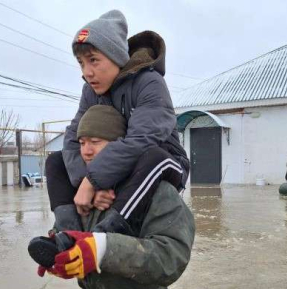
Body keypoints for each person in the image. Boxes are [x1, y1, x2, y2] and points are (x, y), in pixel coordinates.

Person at [31, 104, 196, 289]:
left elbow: (171, 258)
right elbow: (71, 233)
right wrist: (59, 251)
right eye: (82, 142)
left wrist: (103, 250)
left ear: (120, 145)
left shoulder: (157, 191)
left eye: (96, 142)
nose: (86, 150)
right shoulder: (82, 192)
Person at [45, 9, 189, 236]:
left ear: (117, 56)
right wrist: (87, 182)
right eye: (81, 63)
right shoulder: (90, 92)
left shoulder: (149, 83)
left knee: (153, 156)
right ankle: (67, 231)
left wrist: (91, 181)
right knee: (55, 160)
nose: (87, 72)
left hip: (163, 164)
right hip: (113, 170)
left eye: (93, 60)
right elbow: (73, 138)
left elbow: (141, 140)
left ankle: (109, 231)